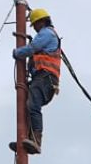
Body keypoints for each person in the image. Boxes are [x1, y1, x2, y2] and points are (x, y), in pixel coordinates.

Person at [9, 8, 61, 155]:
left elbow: (33, 48)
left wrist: (17, 53)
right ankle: (25, 139)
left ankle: (36, 141)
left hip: (45, 78)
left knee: (33, 105)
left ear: (41, 21)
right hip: (42, 78)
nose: (36, 28)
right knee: (28, 105)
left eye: (35, 24)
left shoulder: (47, 33)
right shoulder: (47, 34)